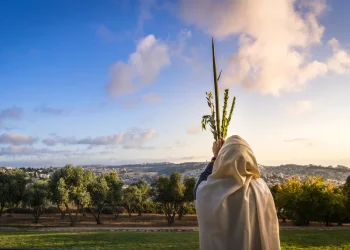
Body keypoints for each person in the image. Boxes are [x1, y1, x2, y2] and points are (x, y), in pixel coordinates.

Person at [194, 135, 280, 250]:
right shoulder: (262, 188)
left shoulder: (211, 190)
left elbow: (197, 190)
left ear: (222, 159)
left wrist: (215, 157)